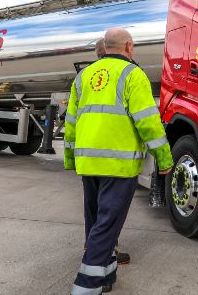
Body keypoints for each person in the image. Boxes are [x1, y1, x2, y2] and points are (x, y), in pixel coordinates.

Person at [64, 28, 174, 294]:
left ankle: (106, 274)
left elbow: (70, 124)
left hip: (88, 163)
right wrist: (164, 158)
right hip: (118, 165)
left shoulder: (84, 76)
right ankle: (86, 284)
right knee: (107, 222)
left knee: (95, 220)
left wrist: (70, 158)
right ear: (128, 46)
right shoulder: (133, 75)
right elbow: (148, 122)